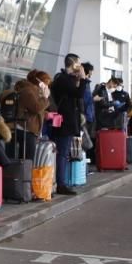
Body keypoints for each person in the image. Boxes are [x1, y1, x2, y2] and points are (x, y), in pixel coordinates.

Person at [49, 53, 87, 196]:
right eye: (79, 63)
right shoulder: (63, 80)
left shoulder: (66, 79)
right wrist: (82, 78)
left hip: (66, 121)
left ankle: (61, 181)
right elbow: (79, 94)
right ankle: (60, 184)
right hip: (64, 122)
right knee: (62, 153)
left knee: (63, 153)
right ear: (73, 64)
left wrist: (78, 78)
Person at [10, 70, 50, 160]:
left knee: (27, 160)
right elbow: (36, 108)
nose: (47, 87)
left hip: (29, 130)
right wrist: (45, 97)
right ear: (40, 83)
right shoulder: (28, 91)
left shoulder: (33, 92)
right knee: (27, 160)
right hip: (25, 130)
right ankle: (22, 174)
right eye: (46, 84)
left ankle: (24, 174)